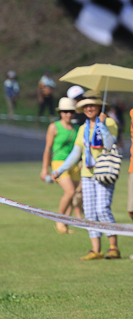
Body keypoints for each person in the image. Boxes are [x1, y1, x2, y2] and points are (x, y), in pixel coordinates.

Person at [52, 91, 121, 260]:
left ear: (99, 106)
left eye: (93, 105)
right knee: (89, 213)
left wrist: (102, 125)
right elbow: (76, 154)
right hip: (87, 174)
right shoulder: (83, 128)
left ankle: (113, 247)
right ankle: (96, 250)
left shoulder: (109, 122)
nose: (89, 108)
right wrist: (59, 170)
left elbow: (111, 144)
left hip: (104, 173)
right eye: (86, 106)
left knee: (102, 210)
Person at [40, 97, 82, 234]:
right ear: (60, 112)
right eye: (65, 111)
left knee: (73, 194)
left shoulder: (77, 128)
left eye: (70, 111)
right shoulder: (54, 126)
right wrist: (44, 168)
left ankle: (65, 224)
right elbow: (47, 148)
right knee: (69, 191)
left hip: (73, 163)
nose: (68, 114)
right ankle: (59, 220)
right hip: (58, 163)